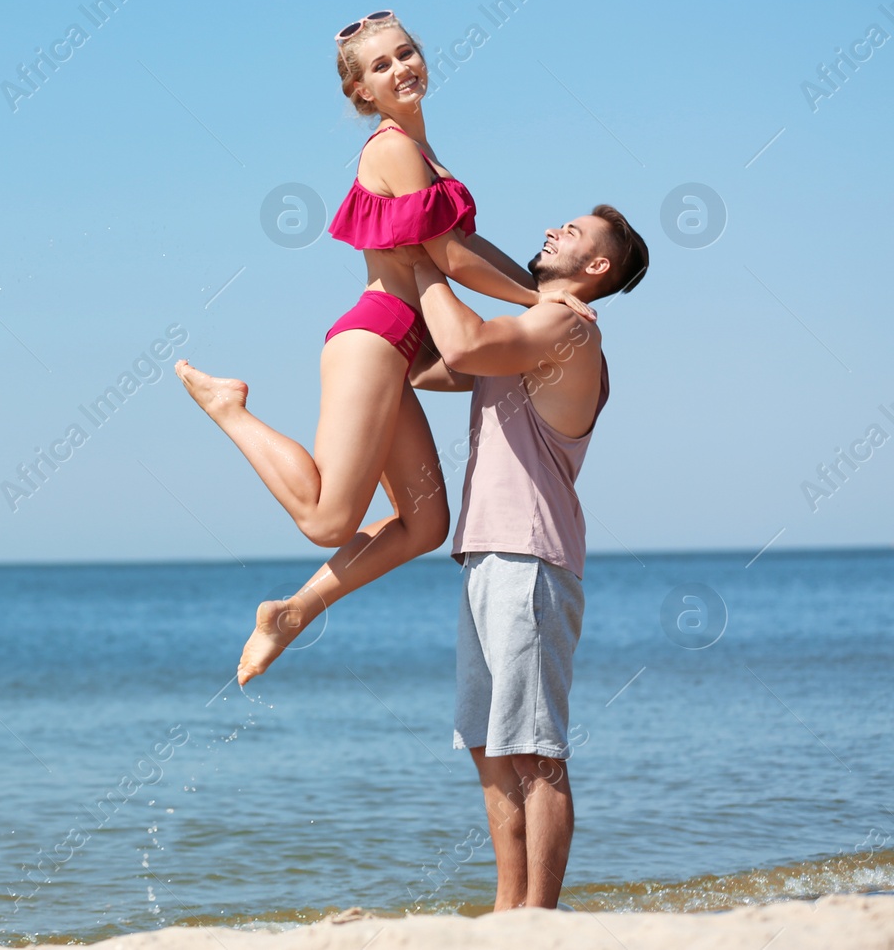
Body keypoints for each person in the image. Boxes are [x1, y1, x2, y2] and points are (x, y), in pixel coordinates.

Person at [174, 10, 590, 685]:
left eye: (406, 54)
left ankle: (291, 612)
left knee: (424, 524)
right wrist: (541, 301)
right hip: (373, 337)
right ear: (361, 93)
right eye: (381, 66)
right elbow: (450, 256)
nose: (401, 68)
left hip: (399, 348)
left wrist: (541, 294)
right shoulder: (390, 148)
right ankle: (230, 408)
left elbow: (468, 246)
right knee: (327, 518)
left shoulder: (427, 156)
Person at [254, 207, 648, 909]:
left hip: (528, 556)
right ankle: (508, 906)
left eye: (576, 233)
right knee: (490, 747)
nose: (555, 229)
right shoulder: (526, 333)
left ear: (597, 269)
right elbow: (438, 366)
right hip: (486, 555)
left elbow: (464, 346)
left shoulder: (568, 327)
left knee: (535, 750)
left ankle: (539, 917)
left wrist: (423, 253)